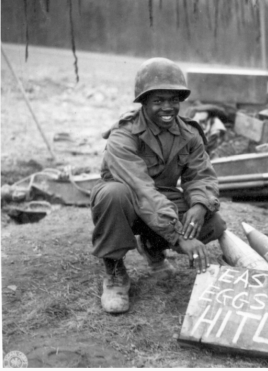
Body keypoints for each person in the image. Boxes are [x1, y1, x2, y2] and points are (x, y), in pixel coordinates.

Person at [90, 57, 226, 314]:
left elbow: (202, 176)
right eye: (158, 101)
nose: (168, 107)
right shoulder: (123, 136)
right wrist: (178, 236)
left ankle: (152, 246)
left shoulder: (189, 134)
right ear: (143, 103)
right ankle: (115, 271)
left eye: (173, 100)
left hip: (159, 201)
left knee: (213, 223)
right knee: (113, 194)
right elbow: (141, 189)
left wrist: (199, 204)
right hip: (127, 201)